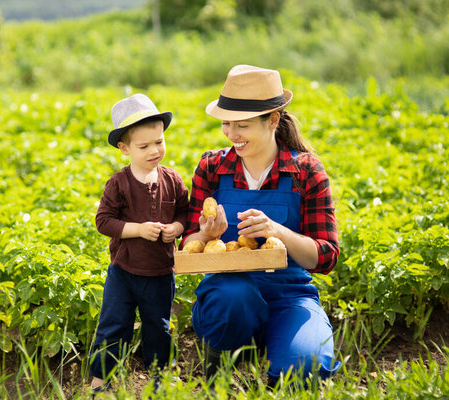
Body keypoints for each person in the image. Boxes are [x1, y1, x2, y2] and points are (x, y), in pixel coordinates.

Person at [181, 65, 341, 386]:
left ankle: (281, 354)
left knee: (306, 367)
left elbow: (325, 256)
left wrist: (278, 231)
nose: (230, 133)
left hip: (290, 294)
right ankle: (224, 355)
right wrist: (204, 235)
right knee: (233, 298)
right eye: (226, 123)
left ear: (273, 120)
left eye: (242, 125)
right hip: (229, 292)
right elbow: (188, 246)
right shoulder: (212, 167)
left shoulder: (306, 171)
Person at [89, 93, 189, 394]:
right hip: (123, 271)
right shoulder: (118, 183)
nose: (154, 150)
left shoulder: (172, 180)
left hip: (160, 272)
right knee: (114, 324)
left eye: (159, 142)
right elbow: (103, 221)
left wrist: (177, 227)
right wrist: (137, 230)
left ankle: (162, 377)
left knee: (157, 326)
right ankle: (100, 377)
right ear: (124, 148)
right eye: (144, 146)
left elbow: (186, 212)